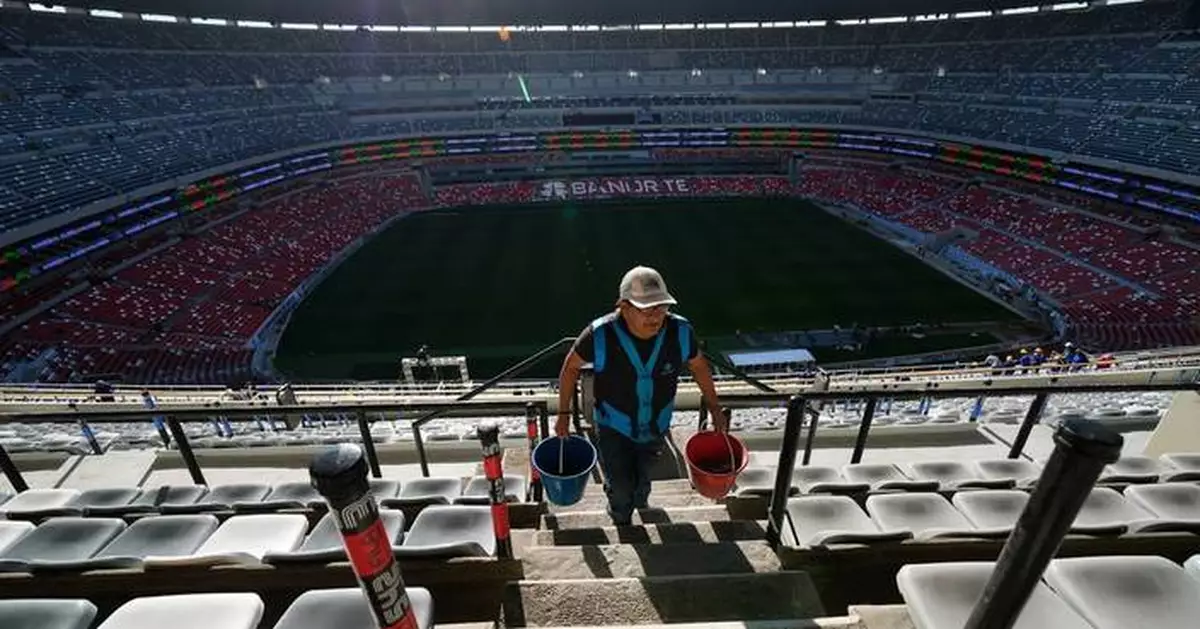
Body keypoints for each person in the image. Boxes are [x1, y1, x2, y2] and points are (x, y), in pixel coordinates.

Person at [556, 265, 728, 526]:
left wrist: (715, 408)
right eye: (646, 309)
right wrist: (564, 414)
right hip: (614, 425)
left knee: (644, 474)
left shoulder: (680, 331)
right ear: (624, 307)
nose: (656, 316)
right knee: (620, 484)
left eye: (661, 307)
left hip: (656, 424)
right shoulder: (600, 334)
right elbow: (570, 368)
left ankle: (641, 502)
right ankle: (620, 516)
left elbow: (699, 366)